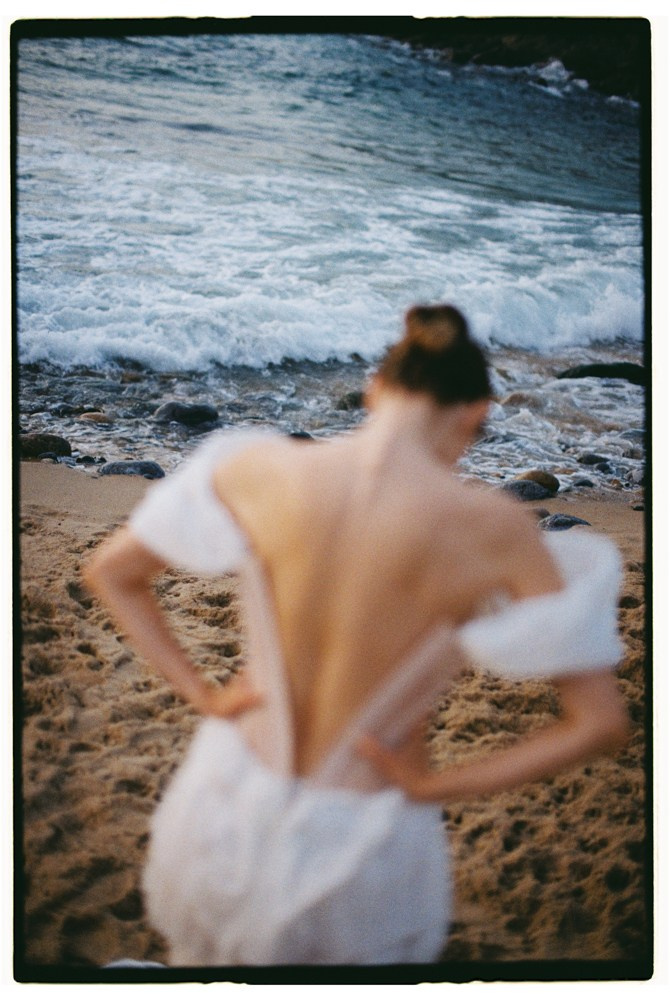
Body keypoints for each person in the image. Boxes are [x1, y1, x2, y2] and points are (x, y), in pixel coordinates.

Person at [84, 305, 629, 966]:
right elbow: (599, 724)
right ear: (474, 414)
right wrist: (437, 788)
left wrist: (201, 693)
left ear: (375, 388)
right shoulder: (495, 530)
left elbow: (113, 573)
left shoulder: (257, 468)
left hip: (228, 798)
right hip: (364, 836)